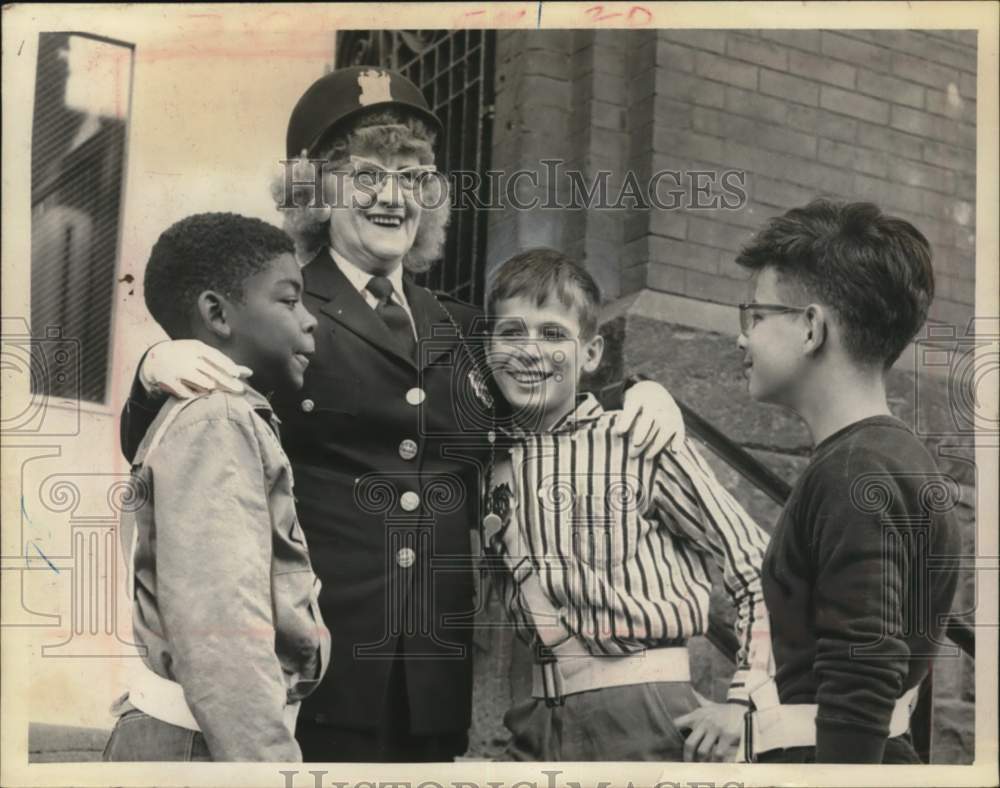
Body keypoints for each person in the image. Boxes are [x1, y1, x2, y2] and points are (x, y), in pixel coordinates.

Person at [118, 67, 686, 762]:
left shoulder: (463, 326)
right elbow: (170, 448)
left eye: (413, 176)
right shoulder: (281, 312)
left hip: (433, 683)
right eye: (366, 175)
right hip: (318, 679)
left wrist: (640, 392)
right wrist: (155, 370)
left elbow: (555, 391)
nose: (393, 196)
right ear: (314, 191)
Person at [479, 248, 771, 762]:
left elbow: (760, 567)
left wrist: (748, 699)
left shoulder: (636, 439)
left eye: (552, 334)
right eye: (511, 333)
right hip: (536, 724)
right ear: (489, 348)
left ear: (590, 354)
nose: (529, 351)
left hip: (645, 716)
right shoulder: (487, 464)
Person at [733, 199, 960, 763]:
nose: (742, 339)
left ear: (811, 327)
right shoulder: (889, 457)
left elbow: (862, 675)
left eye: (755, 317)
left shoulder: (853, 472)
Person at [105, 213, 329, 762]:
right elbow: (224, 636)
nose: (311, 321)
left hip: (204, 738)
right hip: (206, 743)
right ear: (217, 314)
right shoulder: (219, 421)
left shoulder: (220, 415)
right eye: (288, 300)